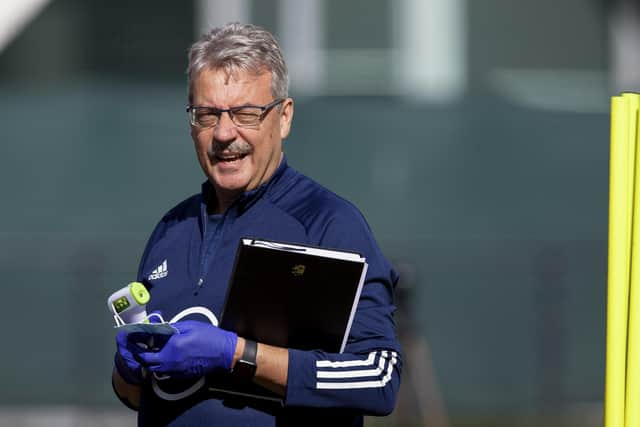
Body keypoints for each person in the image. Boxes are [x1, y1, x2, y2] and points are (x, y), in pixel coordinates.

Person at [112, 22, 402, 426]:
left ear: (283, 118)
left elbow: (379, 378)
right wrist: (128, 369)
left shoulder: (328, 222)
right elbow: (136, 396)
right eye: (207, 114)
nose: (225, 133)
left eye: (246, 114)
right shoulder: (171, 228)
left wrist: (237, 354)